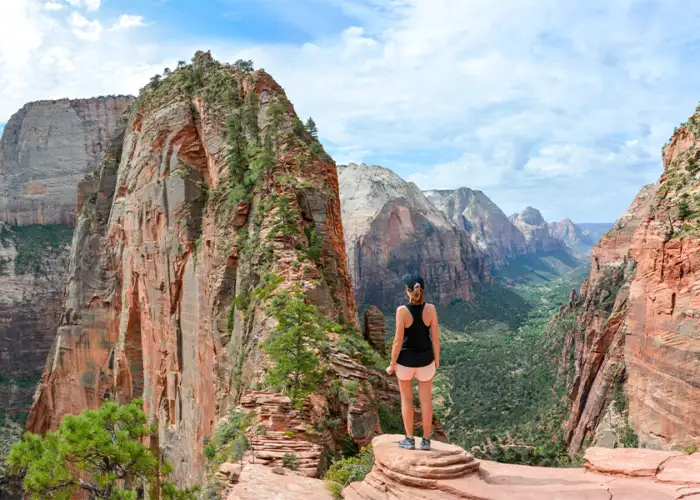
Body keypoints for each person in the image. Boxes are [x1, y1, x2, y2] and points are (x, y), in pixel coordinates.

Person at [386, 273, 440, 451]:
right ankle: (426, 441)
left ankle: (409, 440)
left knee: (407, 400)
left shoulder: (402, 311)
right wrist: (437, 361)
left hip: (405, 363)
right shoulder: (431, 309)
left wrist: (392, 364)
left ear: (407, 291)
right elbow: (436, 339)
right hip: (426, 361)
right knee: (426, 401)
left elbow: (397, 341)